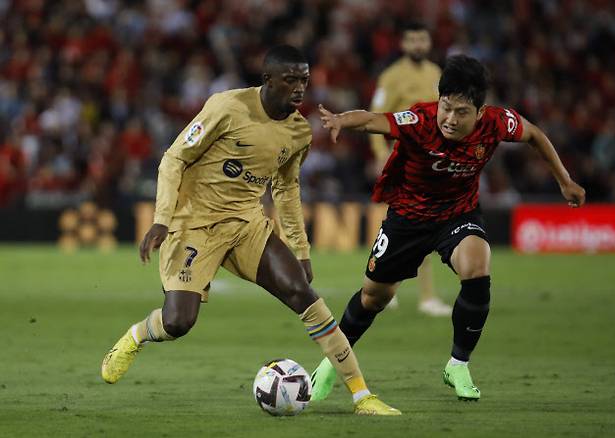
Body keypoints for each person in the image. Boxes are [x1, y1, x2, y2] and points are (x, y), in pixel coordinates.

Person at [100, 45, 400, 416]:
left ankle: (362, 396)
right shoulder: (226, 107)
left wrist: (300, 250)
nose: (299, 88)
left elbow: (287, 189)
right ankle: (136, 336)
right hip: (194, 225)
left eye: (304, 80)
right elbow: (175, 157)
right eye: (290, 80)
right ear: (268, 80)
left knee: (304, 295)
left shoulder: (298, 133)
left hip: (246, 225)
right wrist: (162, 218)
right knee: (178, 322)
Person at [311, 54, 586, 402]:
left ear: (481, 112)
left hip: (457, 214)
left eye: (461, 112)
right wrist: (341, 120)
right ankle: (332, 363)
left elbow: (535, 135)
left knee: (477, 264)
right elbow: (374, 120)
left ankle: (457, 364)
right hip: (407, 218)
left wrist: (565, 181)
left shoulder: (499, 123)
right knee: (374, 297)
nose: (450, 119)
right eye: (446, 107)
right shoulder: (420, 119)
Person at [369, 22, 451, 316]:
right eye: (412, 39)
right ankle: (416, 295)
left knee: (416, 226)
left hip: (433, 160)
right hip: (403, 159)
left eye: (422, 39)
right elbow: (377, 116)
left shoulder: (436, 73)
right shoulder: (391, 77)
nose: (418, 44)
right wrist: (380, 153)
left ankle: (387, 289)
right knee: (411, 225)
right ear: (403, 44)